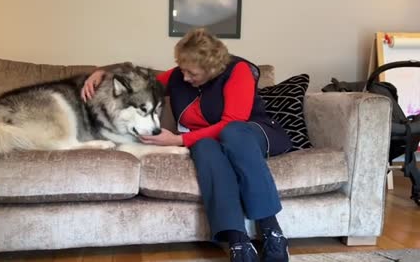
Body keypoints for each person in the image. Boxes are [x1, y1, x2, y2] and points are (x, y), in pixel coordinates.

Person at [81, 28, 292, 262]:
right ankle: (238, 242)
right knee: (204, 147)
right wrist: (101, 72)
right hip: (208, 139)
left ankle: (272, 231)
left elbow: (233, 121)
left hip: (250, 133)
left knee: (232, 133)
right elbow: (137, 81)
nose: (184, 78)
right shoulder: (178, 76)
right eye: (182, 69)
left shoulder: (237, 71)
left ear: (211, 68)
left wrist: (178, 140)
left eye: (191, 73)